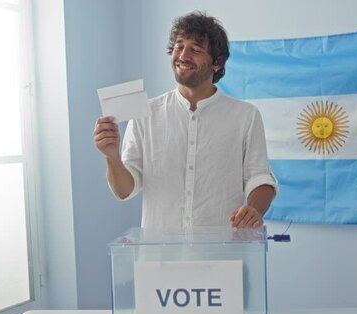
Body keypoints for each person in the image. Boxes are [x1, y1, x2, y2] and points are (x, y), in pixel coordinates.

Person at [93, 11, 277, 229]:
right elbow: (124, 190)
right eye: (179, 46)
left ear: (216, 63)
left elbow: (260, 178)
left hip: (222, 254)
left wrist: (253, 210)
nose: (183, 55)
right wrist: (112, 157)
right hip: (158, 257)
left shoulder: (245, 116)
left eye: (196, 49)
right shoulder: (145, 115)